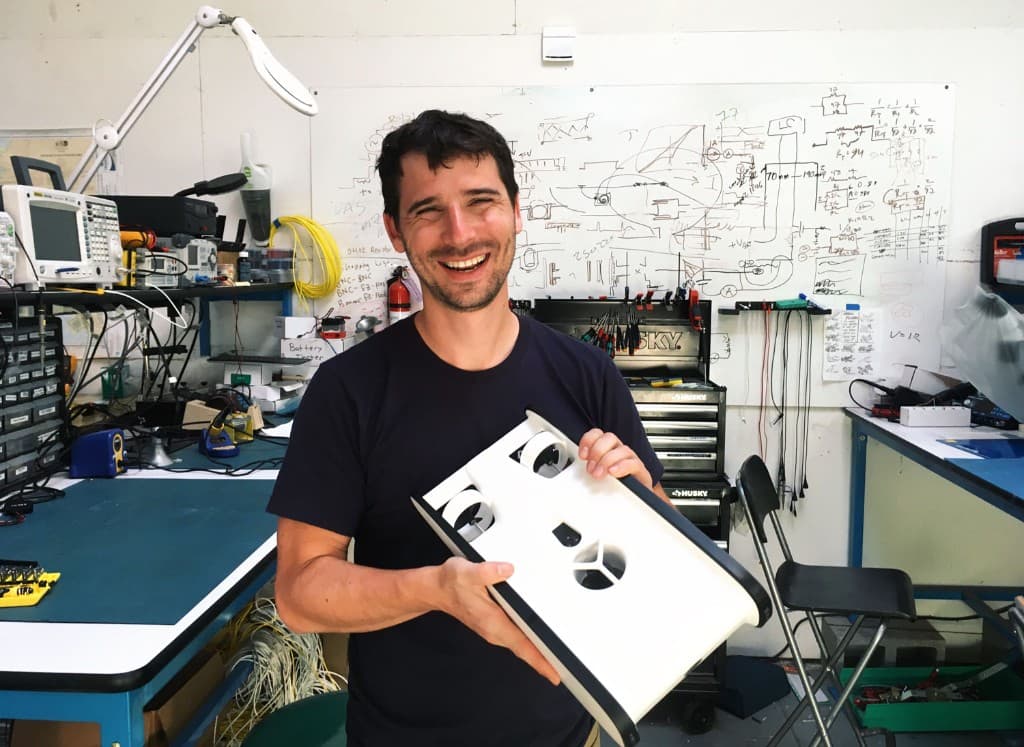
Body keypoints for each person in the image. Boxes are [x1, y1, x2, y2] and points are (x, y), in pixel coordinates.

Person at [268, 109, 669, 747]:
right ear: (396, 231)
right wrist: (438, 589)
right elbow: (299, 594)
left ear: (515, 210)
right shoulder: (349, 392)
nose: (459, 234)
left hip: (569, 731)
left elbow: (656, 547)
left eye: (481, 202)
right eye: (427, 210)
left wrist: (640, 500)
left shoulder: (588, 376)